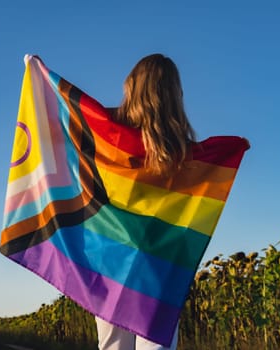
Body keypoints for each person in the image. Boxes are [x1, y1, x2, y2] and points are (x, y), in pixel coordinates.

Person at [95, 54, 196, 350]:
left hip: (110, 258)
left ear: (133, 88)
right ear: (174, 93)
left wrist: (41, 80)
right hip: (159, 264)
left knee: (113, 346)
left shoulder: (109, 131)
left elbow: (70, 118)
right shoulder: (183, 149)